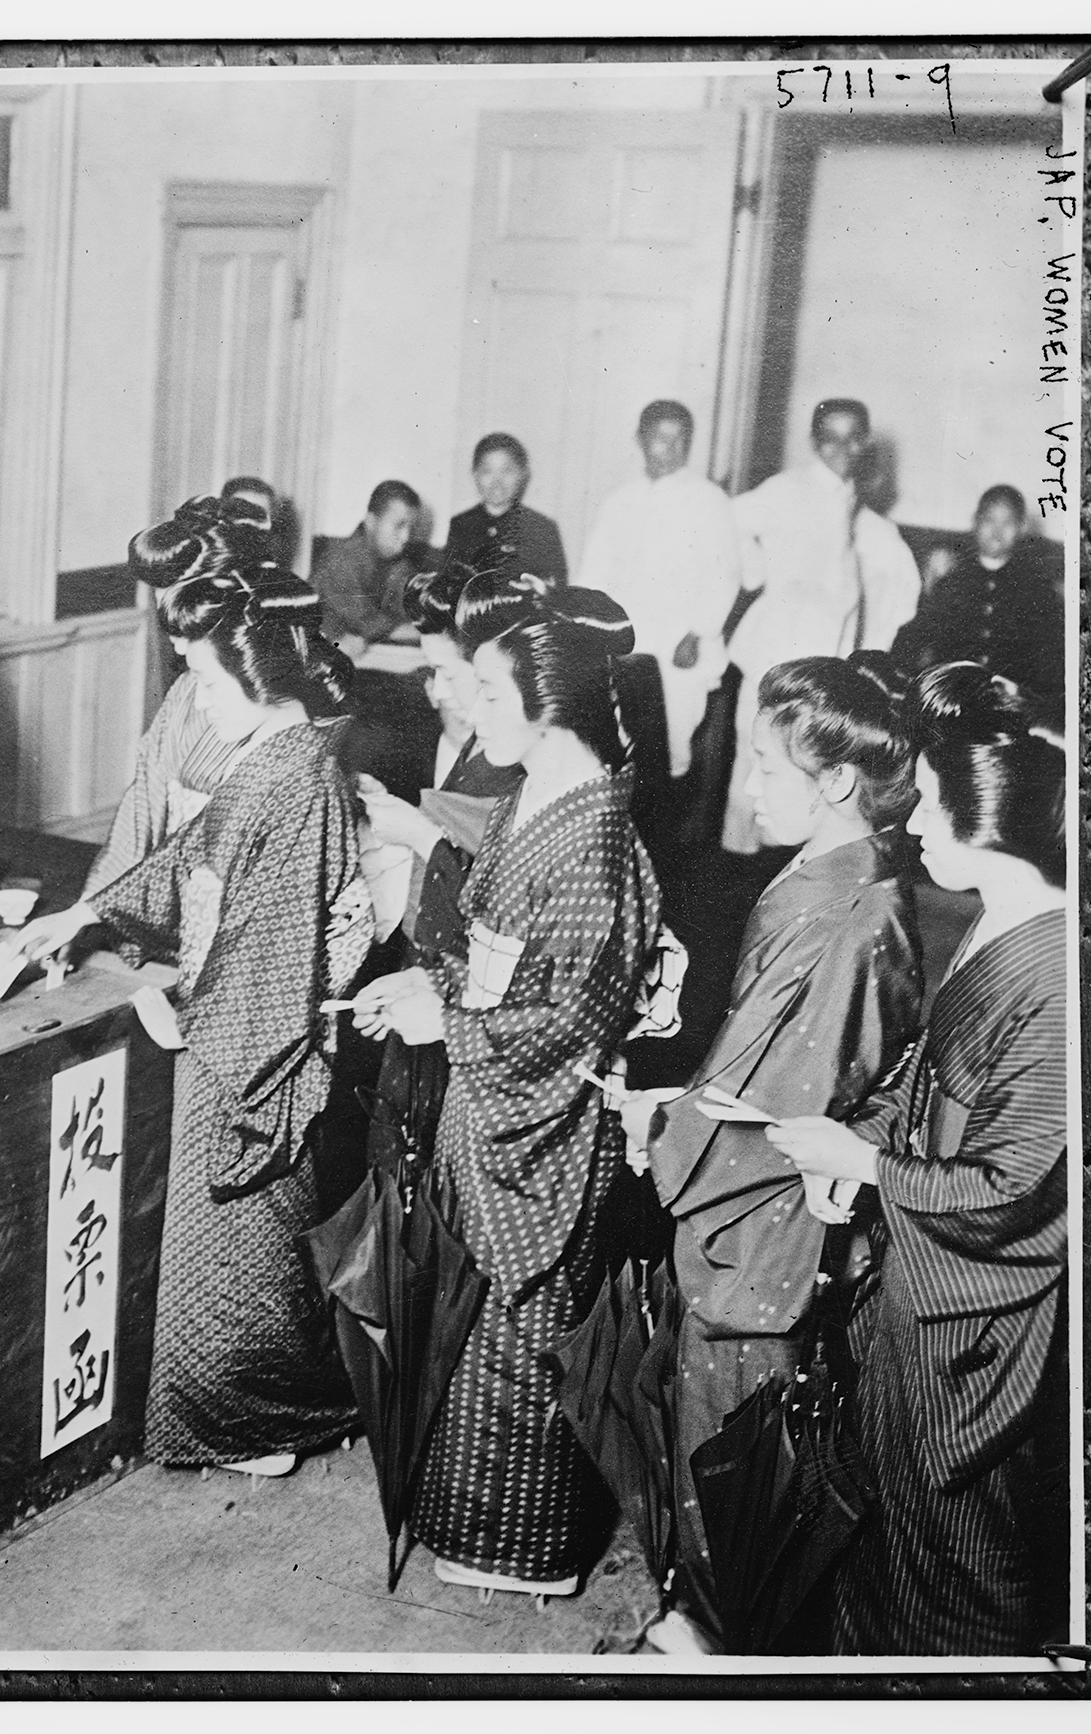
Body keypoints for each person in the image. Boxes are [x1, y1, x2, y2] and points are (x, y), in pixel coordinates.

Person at [18, 559, 372, 1478]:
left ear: (259, 677)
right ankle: (252, 1414)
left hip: (255, 1052)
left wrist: (185, 1013)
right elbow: (184, 867)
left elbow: (275, 951)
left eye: (210, 682)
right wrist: (88, 911)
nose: (199, 704)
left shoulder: (298, 781)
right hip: (231, 1028)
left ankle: (264, 1423)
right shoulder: (274, 763)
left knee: (241, 1251)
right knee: (222, 1253)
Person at [348, 578, 663, 1598]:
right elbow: (497, 959)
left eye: (488, 692)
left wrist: (453, 1018)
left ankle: (527, 1553)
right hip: (491, 1103)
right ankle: (481, 1531)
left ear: (552, 703)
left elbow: (571, 1019)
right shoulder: (541, 795)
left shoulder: (594, 836)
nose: (472, 712)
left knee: (520, 1342)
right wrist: (424, 983)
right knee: (474, 1332)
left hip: (543, 1125)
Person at [613, 653, 925, 1654]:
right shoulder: (829, 873)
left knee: (739, 1434)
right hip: (764, 1178)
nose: (745, 787)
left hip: (770, 1218)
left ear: (837, 780)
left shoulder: (850, 907)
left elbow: (788, 1095)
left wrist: (663, 1129)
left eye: (766, 767)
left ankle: (713, 1639)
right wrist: (684, 1098)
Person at [766, 664, 1070, 1657]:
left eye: (936, 806)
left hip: (981, 1323)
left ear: (991, 815)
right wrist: (860, 1148)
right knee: (891, 1522)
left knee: (962, 1560)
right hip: (920, 1290)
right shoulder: (999, 920)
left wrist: (866, 1164)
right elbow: (927, 1071)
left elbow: (1019, 1189)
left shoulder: (1064, 973)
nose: (917, 823)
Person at [342, 565, 526, 1176]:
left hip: (474, 1026)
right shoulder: (483, 746)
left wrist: (417, 833)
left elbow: (506, 911)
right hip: (432, 988)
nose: (437, 692)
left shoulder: (519, 766)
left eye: (448, 674)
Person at [722, 398, 920, 852]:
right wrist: (757, 573)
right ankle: (737, 869)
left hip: (825, 650)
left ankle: (784, 862)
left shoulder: (856, 506)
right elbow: (732, 520)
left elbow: (891, 580)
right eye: (831, 438)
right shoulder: (787, 489)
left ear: (865, 443)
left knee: (809, 764)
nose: (842, 449)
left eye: (853, 439)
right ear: (815, 442)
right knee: (756, 763)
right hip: (778, 646)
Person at [79, 498, 267, 896]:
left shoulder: (275, 701)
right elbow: (141, 810)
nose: (175, 640)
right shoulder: (186, 692)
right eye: (162, 608)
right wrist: (88, 907)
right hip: (175, 896)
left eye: (180, 610)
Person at [578, 400, 745, 780]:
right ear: (639, 440)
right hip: (623, 636)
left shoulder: (708, 499)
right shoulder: (620, 501)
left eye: (679, 441)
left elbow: (725, 574)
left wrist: (697, 633)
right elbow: (594, 572)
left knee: (671, 742)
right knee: (617, 737)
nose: (668, 451)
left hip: (677, 641)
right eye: (659, 440)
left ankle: (667, 821)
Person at [890, 485, 1067, 704]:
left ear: (1021, 528)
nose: (997, 531)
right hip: (952, 696)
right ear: (975, 521)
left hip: (1011, 700)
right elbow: (919, 632)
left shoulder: (1035, 588)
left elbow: (1050, 655)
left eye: (1008, 523)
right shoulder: (953, 577)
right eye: (989, 520)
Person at [313, 480, 434, 662]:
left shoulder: (399, 564)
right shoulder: (341, 560)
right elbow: (369, 622)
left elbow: (411, 608)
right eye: (399, 525)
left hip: (363, 653)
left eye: (411, 528)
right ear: (371, 521)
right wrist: (428, 631)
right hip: (322, 650)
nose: (406, 537)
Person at [442, 433, 569, 587]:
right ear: (475, 474)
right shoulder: (461, 525)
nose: (497, 481)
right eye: (487, 471)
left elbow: (557, 588)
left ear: (523, 475)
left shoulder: (541, 527)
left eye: (507, 471)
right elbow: (447, 584)